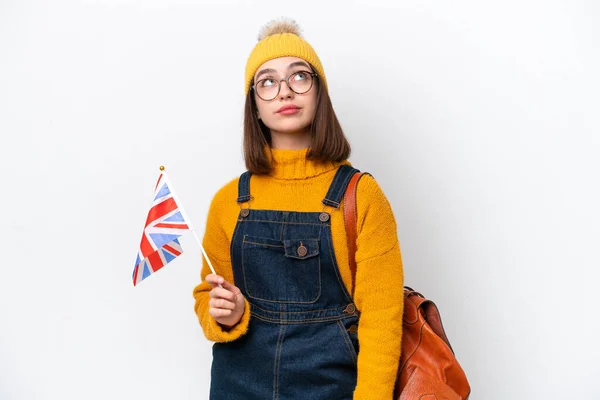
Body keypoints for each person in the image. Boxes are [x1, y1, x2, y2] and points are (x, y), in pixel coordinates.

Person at [192, 17, 404, 400]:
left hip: (332, 388)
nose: (285, 92)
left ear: (318, 92)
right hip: (238, 385)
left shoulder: (362, 196)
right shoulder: (228, 202)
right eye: (267, 82)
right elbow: (207, 298)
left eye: (299, 76)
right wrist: (226, 313)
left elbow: (382, 322)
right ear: (254, 106)